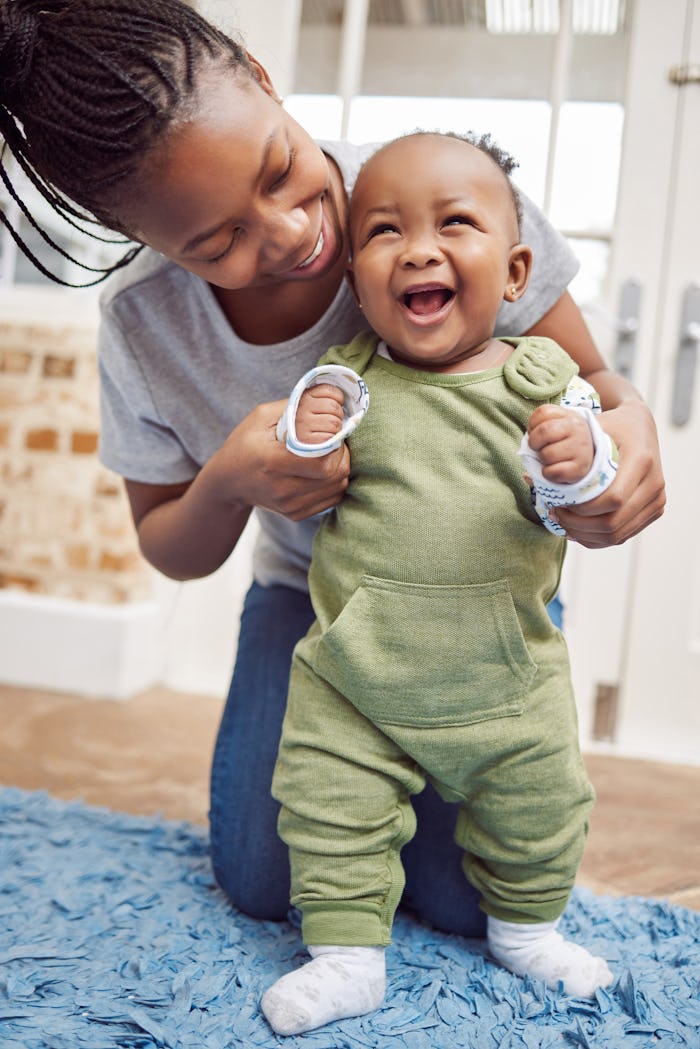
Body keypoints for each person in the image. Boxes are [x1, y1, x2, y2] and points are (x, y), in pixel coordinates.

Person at [0, 0, 664, 943]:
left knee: (470, 899)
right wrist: (232, 477)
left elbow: (595, 382)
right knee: (267, 879)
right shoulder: (146, 325)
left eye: (280, 167)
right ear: (143, 236)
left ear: (268, 83)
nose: (287, 232)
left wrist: (628, 434)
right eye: (217, 243)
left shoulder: (438, 196)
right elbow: (167, 546)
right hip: (315, 600)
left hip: (481, 594)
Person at [259, 131, 619, 1037]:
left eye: (455, 223)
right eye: (384, 231)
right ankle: (345, 957)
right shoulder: (348, 381)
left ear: (514, 271)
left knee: (543, 800)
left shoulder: (542, 383)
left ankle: (529, 929)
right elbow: (303, 462)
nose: (418, 248)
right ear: (357, 279)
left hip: (506, 673)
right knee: (324, 798)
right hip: (359, 672)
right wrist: (309, 424)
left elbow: (591, 491)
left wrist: (579, 465)